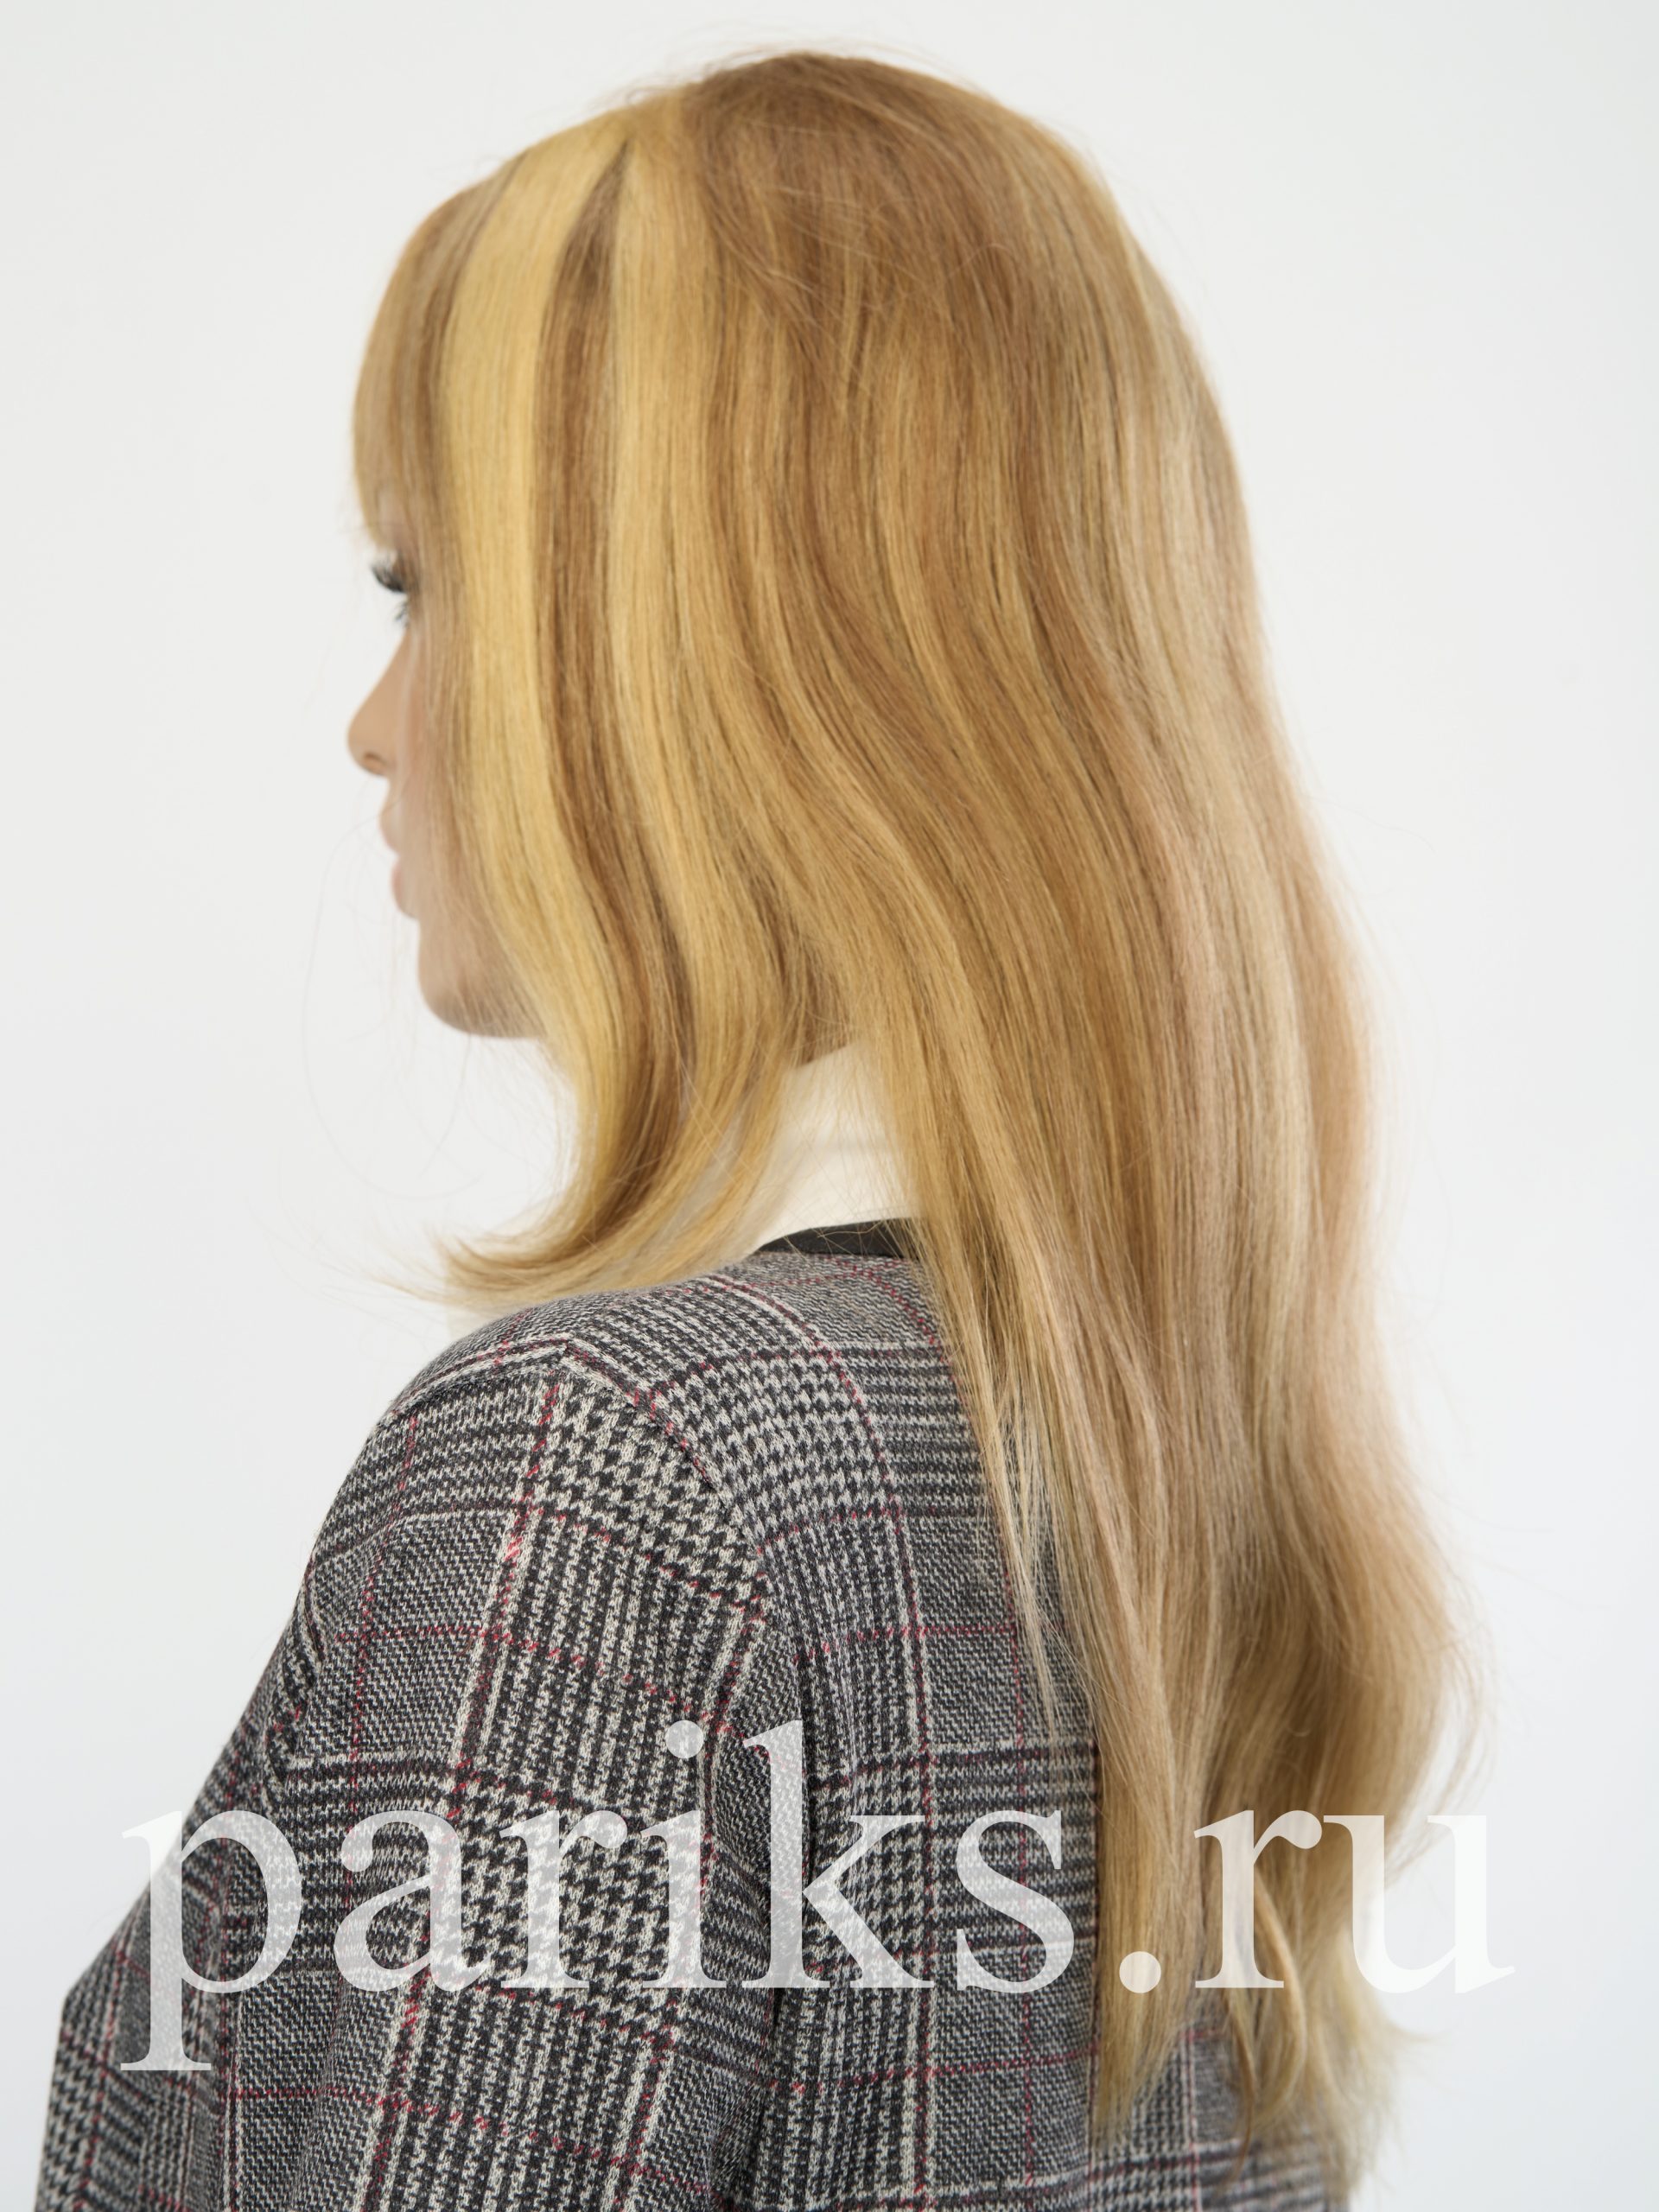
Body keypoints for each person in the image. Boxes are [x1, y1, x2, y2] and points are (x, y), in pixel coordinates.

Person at [34, 47, 1475, 2211]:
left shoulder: (617, 1465)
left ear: (675, 645)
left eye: (422, 590)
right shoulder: (1167, 1473)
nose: (373, 723)